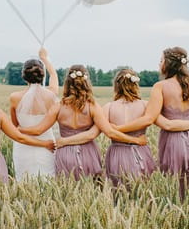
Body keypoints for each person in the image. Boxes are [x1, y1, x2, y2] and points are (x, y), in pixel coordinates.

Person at [111, 47, 189, 198]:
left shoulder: (161, 87)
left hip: (173, 143)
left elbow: (149, 119)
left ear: (168, 64)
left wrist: (118, 128)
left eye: (161, 61)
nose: (159, 65)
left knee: (176, 187)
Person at [19, 65, 147, 180]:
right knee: (92, 190)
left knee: (66, 191)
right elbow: (106, 132)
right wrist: (135, 140)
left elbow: (37, 130)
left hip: (65, 153)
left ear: (67, 83)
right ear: (86, 83)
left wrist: (17, 129)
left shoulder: (58, 106)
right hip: (88, 153)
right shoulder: (93, 106)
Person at [104, 68, 189, 186]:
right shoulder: (146, 105)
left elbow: (108, 131)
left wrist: (117, 129)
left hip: (117, 154)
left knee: (116, 190)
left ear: (116, 86)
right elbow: (168, 125)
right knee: (142, 192)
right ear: (136, 84)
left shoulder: (108, 107)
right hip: (140, 152)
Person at [9, 48, 58, 180]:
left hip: (23, 146)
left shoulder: (14, 97)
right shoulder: (51, 95)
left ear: (24, 76)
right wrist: (45, 58)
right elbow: (53, 75)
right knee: (48, 181)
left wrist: (20, 129)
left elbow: (15, 125)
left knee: (24, 180)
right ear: (42, 75)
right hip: (47, 145)